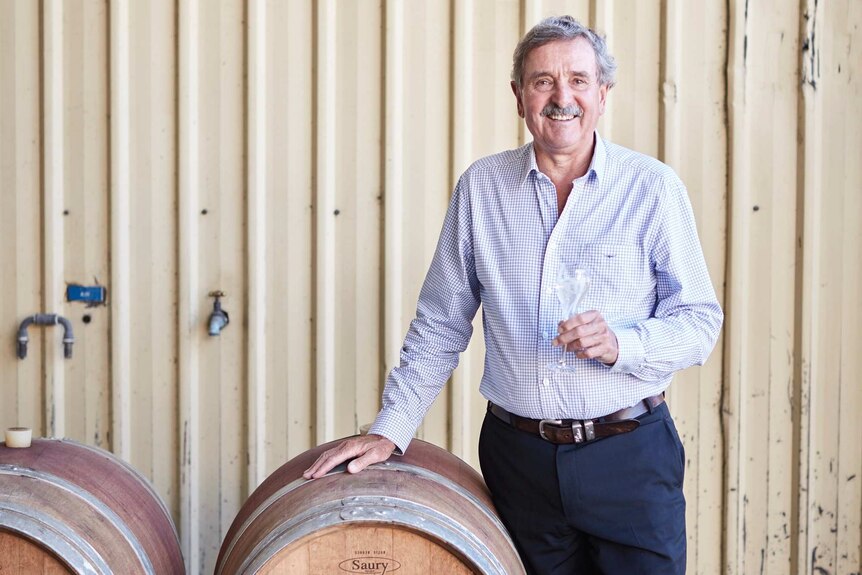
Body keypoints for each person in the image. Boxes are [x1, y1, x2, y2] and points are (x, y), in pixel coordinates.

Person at [304, 15, 723, 575]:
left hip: (629, 456)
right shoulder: (481, 188)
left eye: (578, 80)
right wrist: (390, 429)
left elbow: (699, 322)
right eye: (542, 81)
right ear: (519, 95)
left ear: (602, 94)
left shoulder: (652, 189)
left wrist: (622, 342)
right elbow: (441, 324)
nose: (561, 97)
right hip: (519, 460)